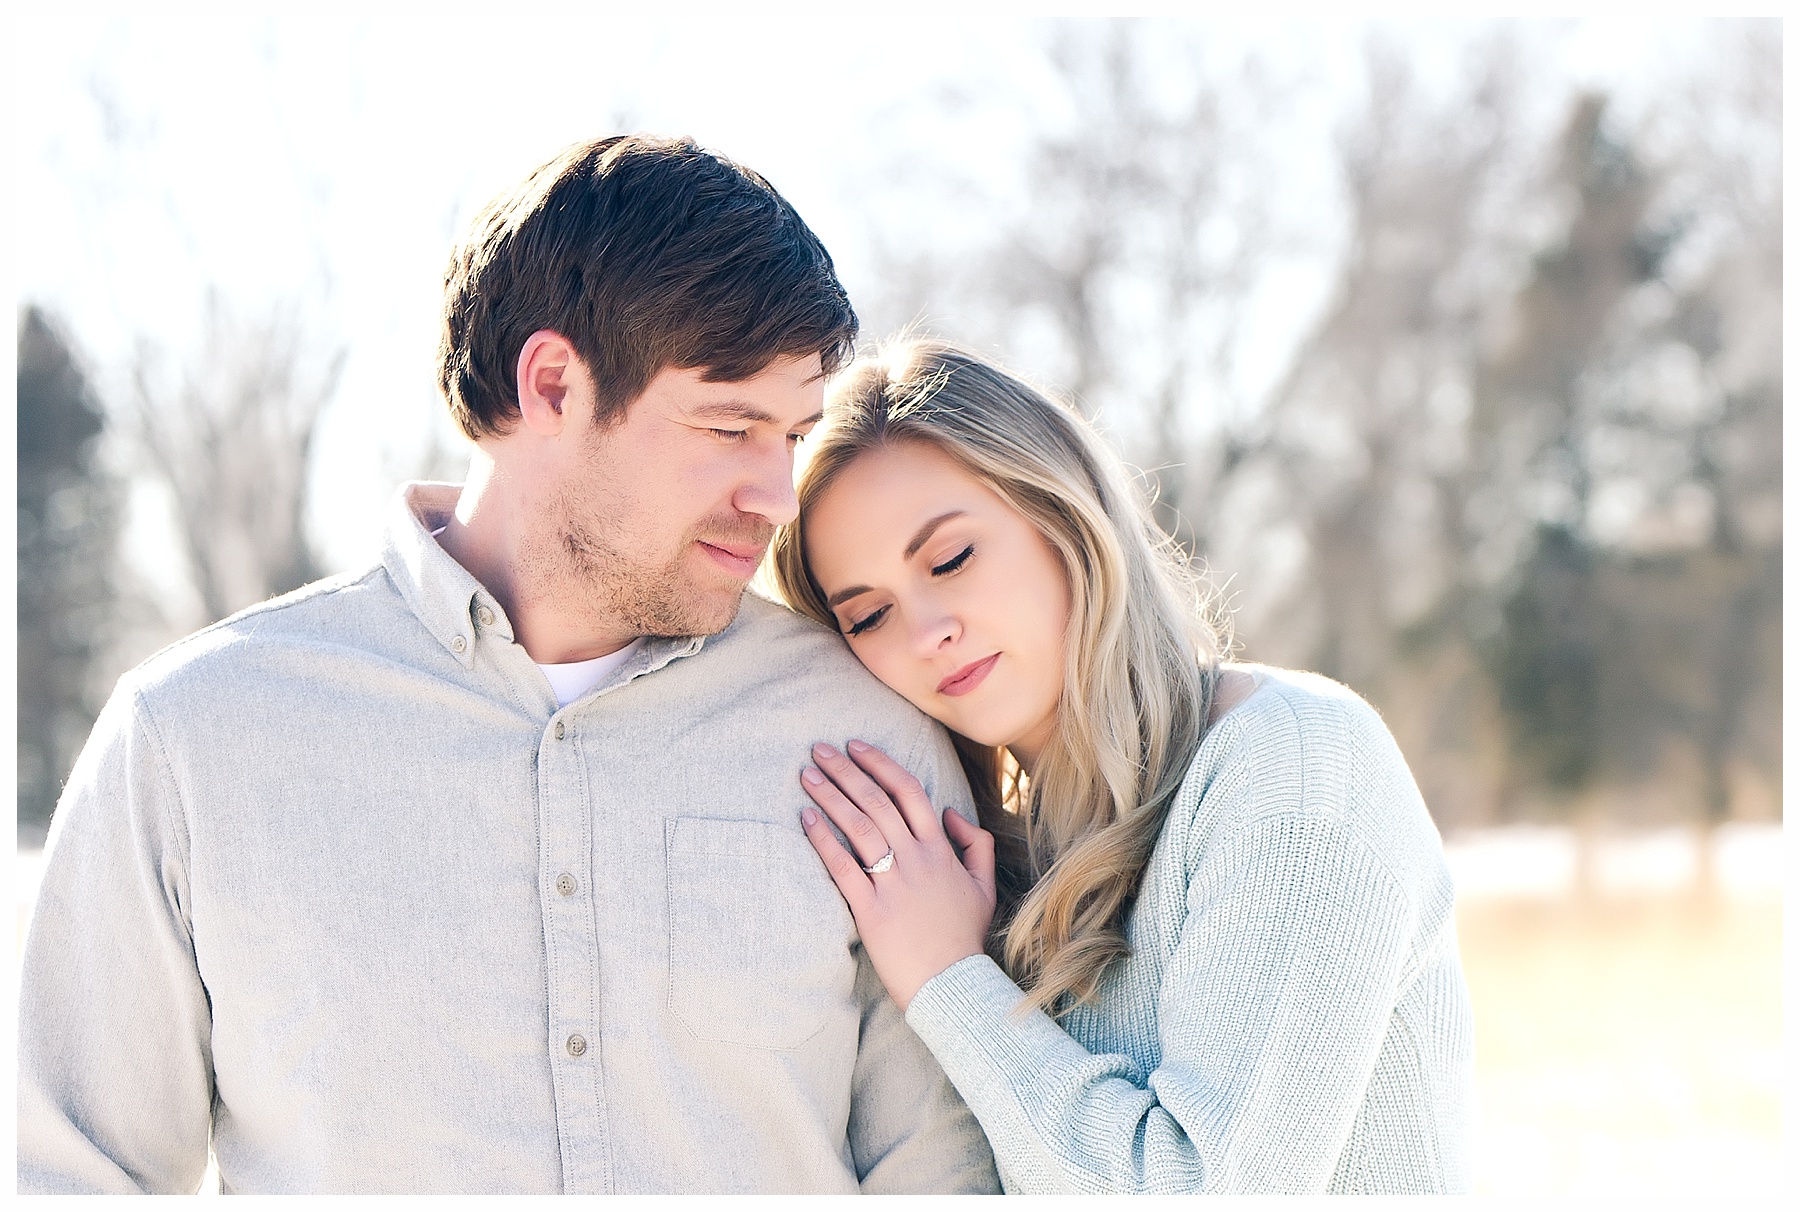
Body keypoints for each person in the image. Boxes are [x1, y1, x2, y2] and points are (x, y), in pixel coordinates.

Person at [17, 138, 1000, 1195]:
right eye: (731, 426)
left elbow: (940, 1175)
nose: (778, 492)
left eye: (793, 435)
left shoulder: (868, 741)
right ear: (552, 385)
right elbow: (78, 1179)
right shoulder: (194, 740)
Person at [770, 339, 1475, 1194]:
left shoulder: (1294, 769)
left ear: (1065, 515)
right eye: (869, 614)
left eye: (951, 559)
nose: (925, 633)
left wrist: (950, 983)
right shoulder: (990, 866)